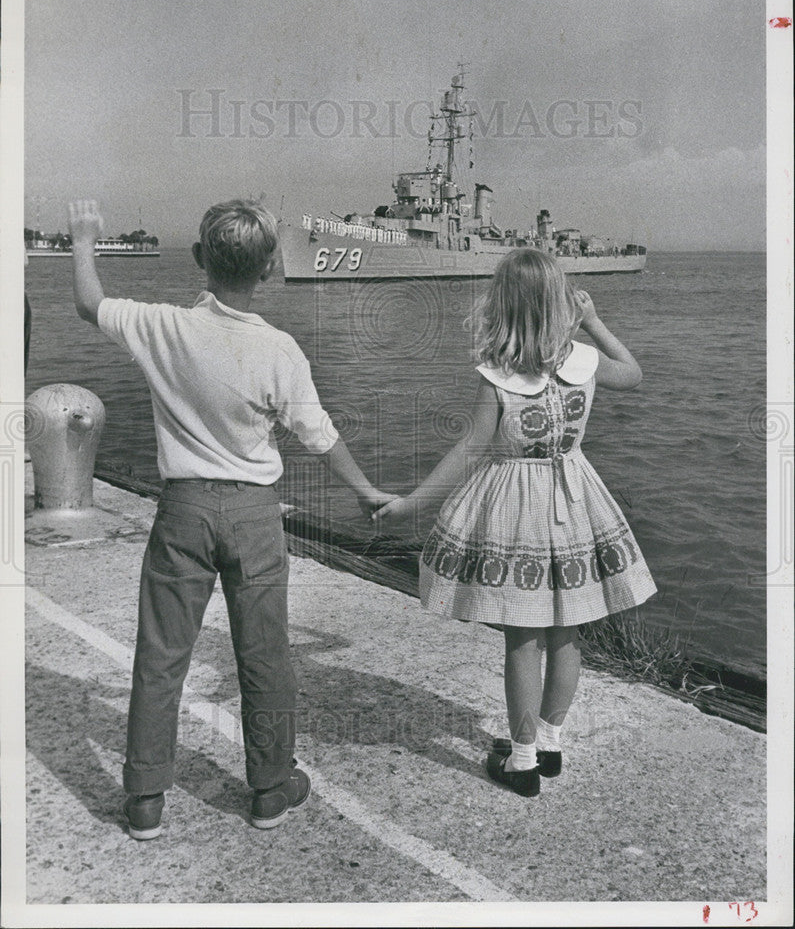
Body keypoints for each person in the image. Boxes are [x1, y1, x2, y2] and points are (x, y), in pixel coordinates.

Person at [67, 198, 396, 838]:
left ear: (197, 259)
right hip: (253, 517)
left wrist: (84, 240)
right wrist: (364, 491)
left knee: (161, 655)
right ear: (271, 267)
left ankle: (144, 799)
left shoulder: (160, 326)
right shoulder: (281, 350)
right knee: (265, 655)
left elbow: (89, 302)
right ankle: (271, 788)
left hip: (182, 511)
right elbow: (318, 435)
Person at [374, 249, 656, 798]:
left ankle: (522, 761)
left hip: (513, 508)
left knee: (522, 640)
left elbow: (470, 450)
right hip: (575, 500)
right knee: (566, 632)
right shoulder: (583, 360)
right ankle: (549, 745)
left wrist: (413, 503)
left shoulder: (496, 377)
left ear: (501, 306)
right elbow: (636, 374)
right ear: (561, 305)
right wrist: (593, 322)